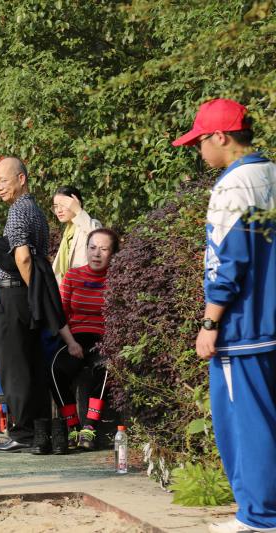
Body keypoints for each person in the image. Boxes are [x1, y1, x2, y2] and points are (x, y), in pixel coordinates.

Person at [172, 98, 276, 533]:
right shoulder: (271, 173)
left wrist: (210, 322)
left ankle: (258, 516)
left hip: (244, 326)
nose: (199, 151)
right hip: (269, 321)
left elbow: (227, 262)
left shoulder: (233, 186)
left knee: (246, 424)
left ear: (220, 137)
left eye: (200, 141)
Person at [0, 157, 82, 454]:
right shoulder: (36, 211)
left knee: (14, 365)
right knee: (32, 363)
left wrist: (33, 291)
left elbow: (24, 256)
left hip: (15, 294)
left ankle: (23, 432)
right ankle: (39, 432)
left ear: (21, 179)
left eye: (3, 181)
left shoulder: (18, 210)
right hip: (24, 296)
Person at [50, 228, 119, 451]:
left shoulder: (117, 279)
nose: (96, 253)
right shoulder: (73, 275)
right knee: (55, 369)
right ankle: (73, 426)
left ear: (112, 253)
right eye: (92, 248)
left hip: (104, 340)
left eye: (103, 249)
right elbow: (60, 314)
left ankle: (89, 427)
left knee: (108, 368)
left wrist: (110, 343)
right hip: (74, 338)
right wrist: (71, 343)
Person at [51, 186, 102, 285]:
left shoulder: (90, 225)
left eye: (63, 205)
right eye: (56, 206)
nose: (59, 210)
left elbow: (98, 239)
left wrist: (78, 211)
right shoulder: (68, 232)